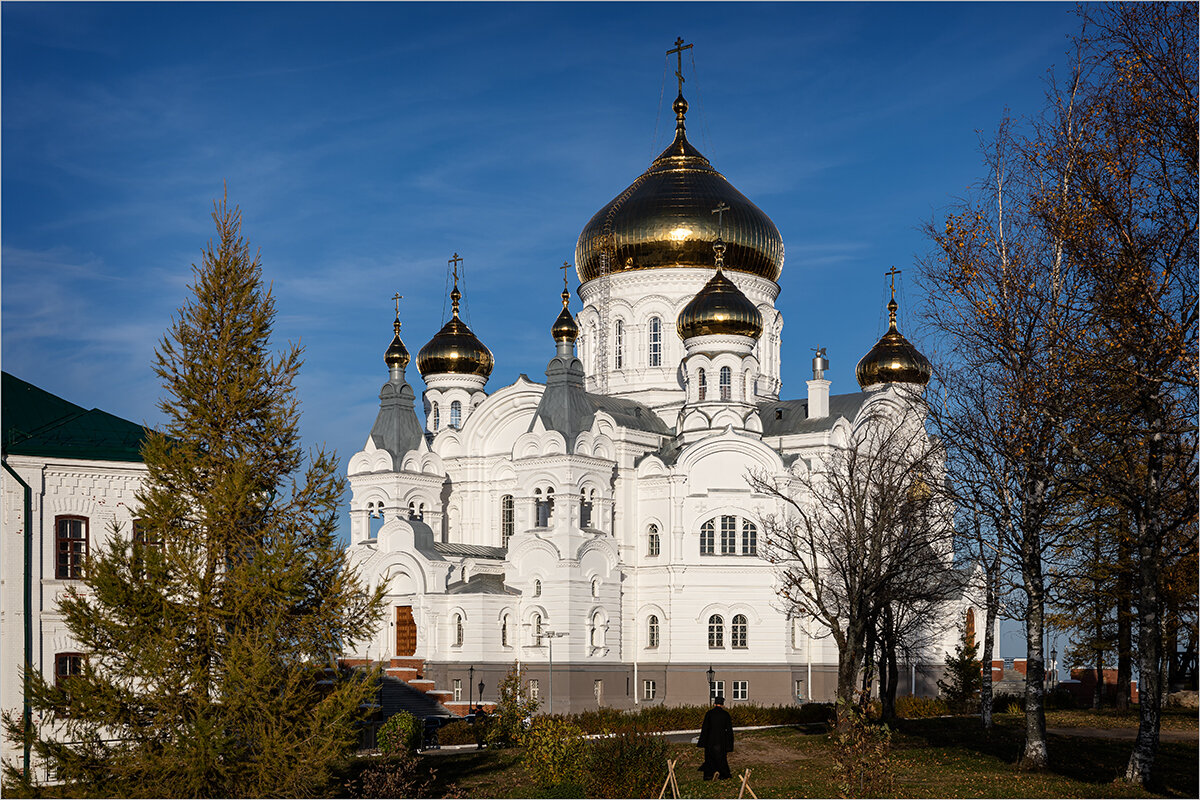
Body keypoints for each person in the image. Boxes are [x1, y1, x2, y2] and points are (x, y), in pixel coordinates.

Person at [697, 695, 734, 780]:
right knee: (722, 758)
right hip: (721, 740)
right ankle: (724, 774)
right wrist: (729, 744)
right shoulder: (725, 714)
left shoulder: (709, 714)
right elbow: (729, 730)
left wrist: (703, 741)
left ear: (714, 704)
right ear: (722, 705)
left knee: (709, 758)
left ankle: (708, 775)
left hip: (710, 740)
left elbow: (705, 728)